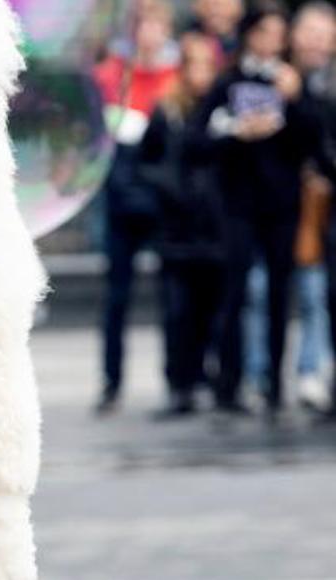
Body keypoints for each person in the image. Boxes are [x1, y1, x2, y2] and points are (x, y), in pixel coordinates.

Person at [194, 0, 336, 422]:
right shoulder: (229, 81)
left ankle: (275, 383)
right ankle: (230, 382)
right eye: (264, 34)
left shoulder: (292, 82)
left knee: (279, 294)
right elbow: (197, 142)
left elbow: (314, 142)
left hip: (282, 203)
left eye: (278, 35)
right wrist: (235, 130)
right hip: (238, 202)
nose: (271, 42)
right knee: (236, 290)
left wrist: (295, 100)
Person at [245, 1, 336, 413]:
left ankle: (311, 372)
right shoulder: (270, 75)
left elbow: (317, 138)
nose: (317, 42)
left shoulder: (323, 83)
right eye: (310, 32)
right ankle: (261, 374)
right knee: (262, 291)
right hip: (273, 202)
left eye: (326, 34)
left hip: (317, 206)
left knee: (315, 293)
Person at [93, 0, 180, 414]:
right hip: (120, 199)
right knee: (117, 296)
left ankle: (176, 379)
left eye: (156, 26)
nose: (150, 34)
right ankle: (111, 382)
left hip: (163, 200)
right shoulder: (110, 75)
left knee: (172, 294)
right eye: (143, 25)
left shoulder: (176, 78)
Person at [138, 34, 224, 418]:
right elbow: (146, 161)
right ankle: (178, 384)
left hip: (214, 228)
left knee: (210, 309)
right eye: (194, 65)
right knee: (177, 312)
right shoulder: (167, 111)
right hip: (176, 231)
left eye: (207, 66)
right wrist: (169, 189)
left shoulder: (221, 112)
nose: (200, 74)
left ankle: (205, 377)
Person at [186, 0, 244, 67]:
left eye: (220, 5)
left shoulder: (247, 38)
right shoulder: (189, 42)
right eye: (207, 5)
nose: (214, 11)